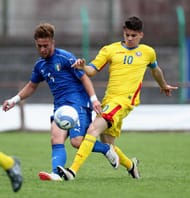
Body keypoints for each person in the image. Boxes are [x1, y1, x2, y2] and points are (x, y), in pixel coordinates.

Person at [57, 16, 178, 181]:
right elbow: (92, 70)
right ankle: (131, 166)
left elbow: (156, 70)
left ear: (141, 35)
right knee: (109, 145)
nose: (129, 38)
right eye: (127, 35)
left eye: (133, 35)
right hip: (109, 102)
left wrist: (163, 85)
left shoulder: (148, 52)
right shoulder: (110, 50)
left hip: (124, 102)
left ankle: (72, 171)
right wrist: (82, 66)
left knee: (92, 130)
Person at [2, 23, 119, 182]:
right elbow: (32, 85)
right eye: (39, 46)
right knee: (55, 139)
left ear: (53, 42)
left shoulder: (65, 58)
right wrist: (14, 100)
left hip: (78, 104)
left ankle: (106, 149)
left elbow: (84, 77)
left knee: (77, 142)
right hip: (60, 108)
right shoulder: (40, 65)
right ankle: (56, 174)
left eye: (46, 45)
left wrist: (93, 100)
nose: (42, 49)